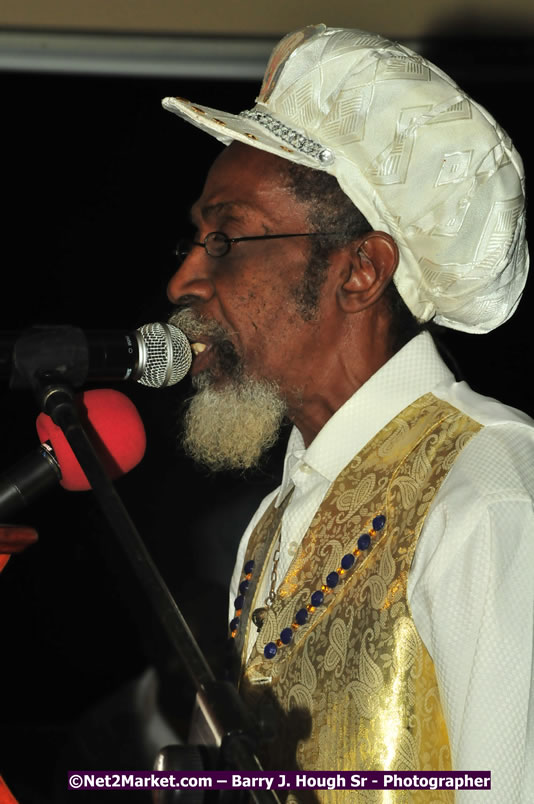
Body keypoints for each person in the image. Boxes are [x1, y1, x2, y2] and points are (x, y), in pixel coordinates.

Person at [162, 24, 533, 801]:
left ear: (360, 270)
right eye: (196, 239)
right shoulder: (274, 522)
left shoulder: (490, 492)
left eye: (227, 239)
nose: (185, 280)